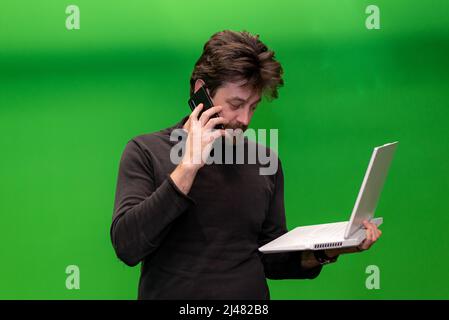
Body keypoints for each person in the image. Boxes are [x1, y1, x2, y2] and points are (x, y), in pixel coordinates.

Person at [110, 30, 382, 300]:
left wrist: (330, 249)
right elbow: (127, 246)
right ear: (201, 91)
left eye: (253, 107)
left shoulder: (265, 162)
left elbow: (271, 259)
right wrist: (188, 167)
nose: (245, 119)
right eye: (236, 104)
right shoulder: (145, 151)